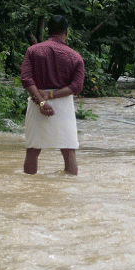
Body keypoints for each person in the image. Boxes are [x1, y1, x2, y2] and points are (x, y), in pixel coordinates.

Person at [20, 15, 85, 175]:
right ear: (66, 33)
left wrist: (42, 101)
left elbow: (26, 79)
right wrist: (51, 94)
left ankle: (28, 188)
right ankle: (69, 190)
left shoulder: (32, 51)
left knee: (33, 149)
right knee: (68, 150)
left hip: (37, 102)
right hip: (63, 105)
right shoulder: (75, 57)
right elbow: (76, 86)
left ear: (47, 31)